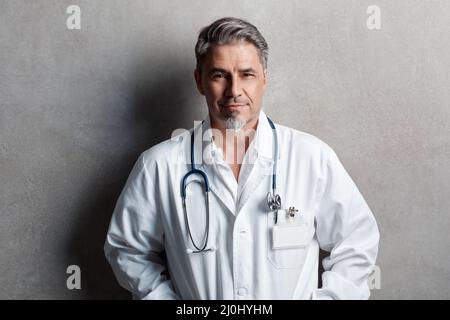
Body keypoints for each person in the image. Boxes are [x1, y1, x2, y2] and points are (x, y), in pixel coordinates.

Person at [104, 17, 379, 300]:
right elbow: (126, 249)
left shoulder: (312, 159)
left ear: (265, 79)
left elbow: (357, 241)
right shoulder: (158, 166)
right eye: (219, 75)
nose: (234, 90)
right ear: (199, 81)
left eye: (247, 74)